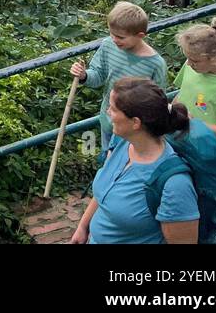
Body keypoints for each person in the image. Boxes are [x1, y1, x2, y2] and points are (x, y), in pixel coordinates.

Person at [71, 78, 199, 245]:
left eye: (113, 109)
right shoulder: (120, 141)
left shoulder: (174, 185)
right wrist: (83, 226)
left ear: (135, 122)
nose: (108, 112)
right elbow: (105, 190)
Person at [71, 1, 168, 153]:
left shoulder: (155, 64)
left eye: (120, 37)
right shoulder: (108, 45)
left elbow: (157, 104)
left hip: (135, 132)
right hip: (109, 121)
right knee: (107, 160)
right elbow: (98, 75)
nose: (114, 39)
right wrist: (84, 75)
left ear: (140, 35)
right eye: (111, 34)